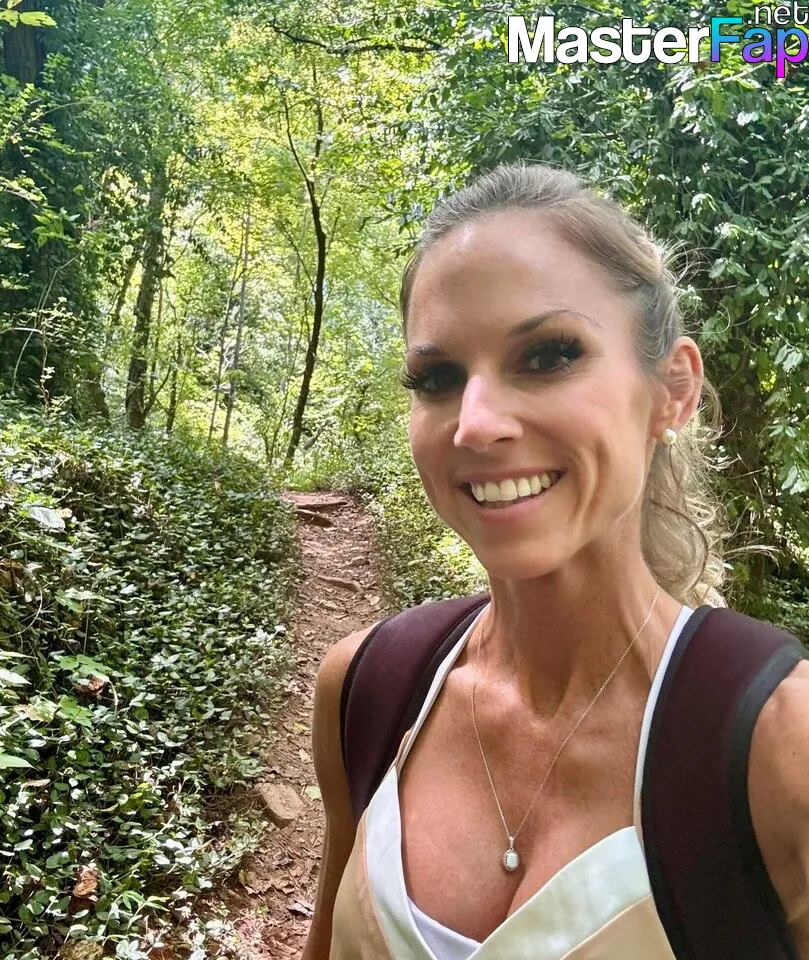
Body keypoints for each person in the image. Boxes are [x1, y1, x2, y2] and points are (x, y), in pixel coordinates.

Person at [302, 162, 809, 959]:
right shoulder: (368, 689)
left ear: (672, 390)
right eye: (437, 378)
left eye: (546, 356)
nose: (475, 423)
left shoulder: (781, 747)